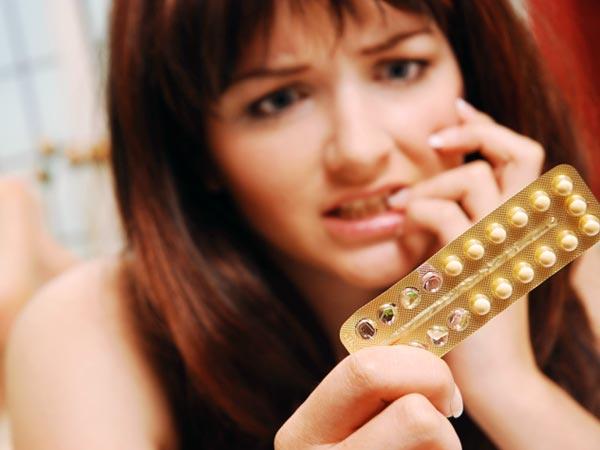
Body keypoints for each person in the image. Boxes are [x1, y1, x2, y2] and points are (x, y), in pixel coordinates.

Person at [5, 0, 600, 449]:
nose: (359, 150)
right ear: (197, 150)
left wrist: (509, 387)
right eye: (279, 100)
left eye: (399, 69)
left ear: (472, 71)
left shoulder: (576, 265)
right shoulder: (92, 330)